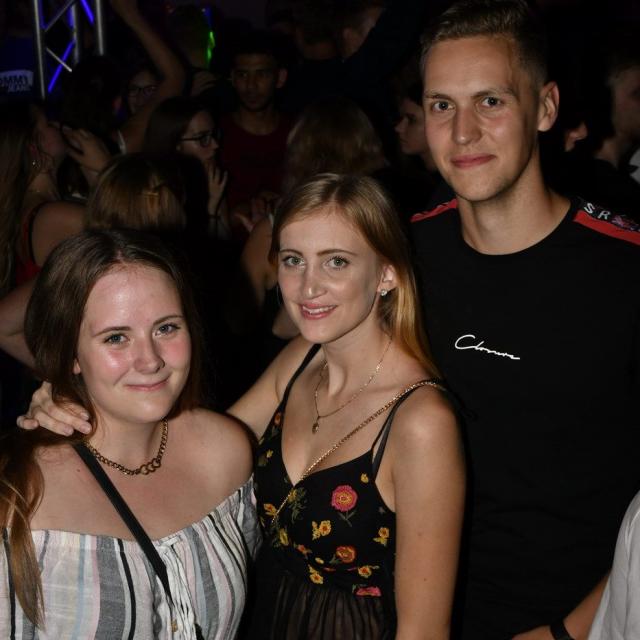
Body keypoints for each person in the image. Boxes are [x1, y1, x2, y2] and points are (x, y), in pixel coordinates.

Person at [21, 173, 465, 639]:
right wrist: (74, 395)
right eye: (293, 260)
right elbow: (195, 448)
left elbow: (424, 631)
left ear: (387, 273)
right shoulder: (303, 359)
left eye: (336, 261)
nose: (308, 287)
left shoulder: (421, 421)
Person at [411, 1, 640, 638]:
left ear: (545, 108)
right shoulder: (403, 256)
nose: (462, 133)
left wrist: (568, 632)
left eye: (490, 101)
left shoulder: (624, 270)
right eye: (441, 105)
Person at [0, 229, 258, 637]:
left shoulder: (225, 452)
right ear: (71, 354)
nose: (150, 360)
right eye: (116, 337)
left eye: (166, 328)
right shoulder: (22, 496)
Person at [219, 31, 291, 214]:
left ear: (280, 78)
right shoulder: (216, 135)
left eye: (262, 74)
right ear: (232, 78)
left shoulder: (297, 134)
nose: (251, 85)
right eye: (243, 75)